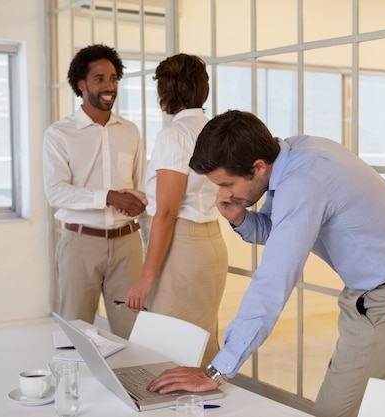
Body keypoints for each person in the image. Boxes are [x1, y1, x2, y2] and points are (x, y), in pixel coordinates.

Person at [147, 110, 385, 417]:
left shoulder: (303, 181)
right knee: (369, 407)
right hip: (376, 295)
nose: (223, 194)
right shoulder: (295, 155)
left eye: (227, 183)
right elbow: (279, 226)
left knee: (333, 411)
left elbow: (272, 281)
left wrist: (216, 371)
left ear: (258, 167)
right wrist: (241, 218)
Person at [123, 53, 228, 368]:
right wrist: (149, 196)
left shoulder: (174, 135)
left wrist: (144, 279)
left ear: (167, 90)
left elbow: (167, 214)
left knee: (170, 349)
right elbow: (196, 189)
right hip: (210, 243)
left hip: (181, 248)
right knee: (201, 340)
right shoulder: (213, 130)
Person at [43, 44, 148, 339]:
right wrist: (108, 197)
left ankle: (129, 386)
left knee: (134, 333)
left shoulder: (130, 132)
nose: (109, 86)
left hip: (127, 245)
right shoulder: (59, 134)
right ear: (82, 84)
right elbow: (56, 192)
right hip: (80, 244)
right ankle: (70, 385)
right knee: (74, 333)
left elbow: (139, 190)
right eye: (100, 78)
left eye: (113, 78)